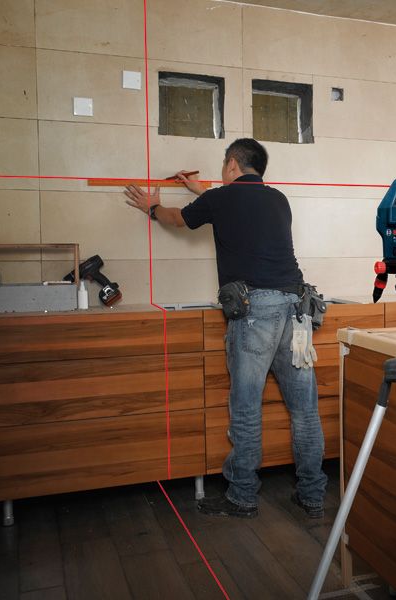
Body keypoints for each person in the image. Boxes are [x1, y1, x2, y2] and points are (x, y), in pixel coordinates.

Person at [124, 138, 327, 519]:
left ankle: (243, 496)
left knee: (246, 408)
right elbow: (235, 208)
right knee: (304, 410)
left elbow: (177, 219)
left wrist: (151, 207)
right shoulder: (277, 199)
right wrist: (201, 191)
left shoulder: (222, 199)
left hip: (255, 313)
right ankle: (313, 495)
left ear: (232, 164)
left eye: (223, 166)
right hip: (297, 310)